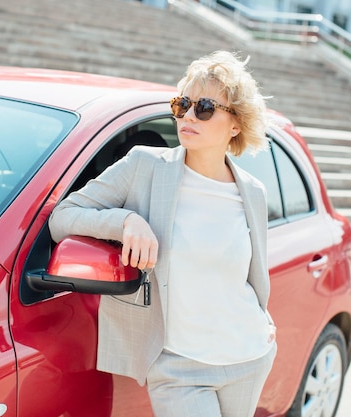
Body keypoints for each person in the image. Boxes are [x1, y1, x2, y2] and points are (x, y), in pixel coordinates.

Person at [49, 50, 277, 417]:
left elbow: (252, 277)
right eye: (182, 104)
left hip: (248, 357)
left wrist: (265, 323)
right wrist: (126, 222)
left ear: (236, 124)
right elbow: (63, 216)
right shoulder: (145, 166)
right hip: (177, 367)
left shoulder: (252, 192)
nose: (188, 115)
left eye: (204, 108)